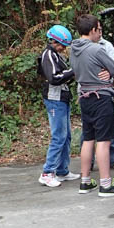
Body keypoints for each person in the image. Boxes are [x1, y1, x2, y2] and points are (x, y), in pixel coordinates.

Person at [70, 14, 114, 197]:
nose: (100, 34)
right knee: (103, 140)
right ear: (92, 30)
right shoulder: (96, 49)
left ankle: (85, 181)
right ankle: (105, 184)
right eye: (99, 29)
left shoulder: (73, 49)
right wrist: (106, 72)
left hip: (84, 96)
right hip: (101, 97)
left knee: (88, 139)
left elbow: (76, 71)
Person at [37, 25, 80, 187]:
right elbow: (54, 78)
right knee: (58, 136)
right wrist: (72, 72)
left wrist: (70, 74)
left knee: (66, 136)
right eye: (62, 45)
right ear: (53, 41)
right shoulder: (48, 55)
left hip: (62, 98)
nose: (63, 48)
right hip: (54, 99)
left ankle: (62, 170)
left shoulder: (56, 55)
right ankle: (47, 173)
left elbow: (63, 76)